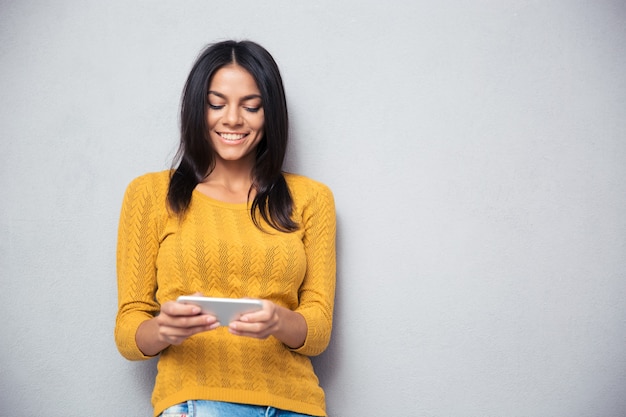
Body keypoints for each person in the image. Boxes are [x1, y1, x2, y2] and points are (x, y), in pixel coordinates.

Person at [114, 40, 336, 417]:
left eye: (251, 106)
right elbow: (128, 327)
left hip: (297, 406)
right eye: (216, 104)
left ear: (270, 114)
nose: (232, 119)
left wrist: (280, 321)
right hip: (198, 402)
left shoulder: (311, 199)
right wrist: (162, 331)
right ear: (195, 110)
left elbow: (318, 330)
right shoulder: (150, 194)